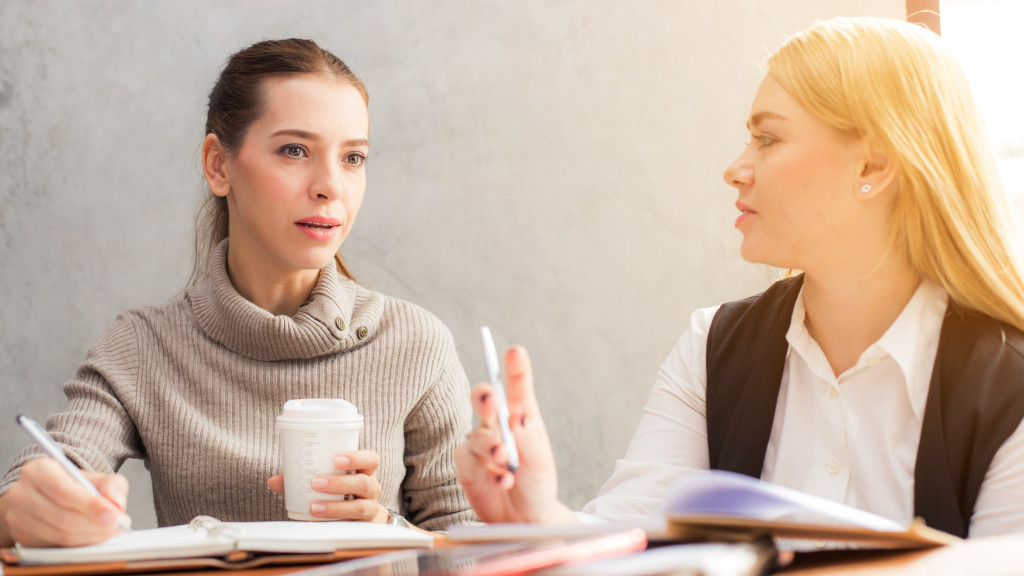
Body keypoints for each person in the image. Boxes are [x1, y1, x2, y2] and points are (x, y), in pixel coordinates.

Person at [456, 16, 1024, 539]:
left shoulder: (1008, 383)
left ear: (873, 166)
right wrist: (539, 517)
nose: (735, 169)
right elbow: (633, 543)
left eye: (768, 138)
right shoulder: (712, 347)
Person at [0, 38, 475, 548]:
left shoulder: (417, 344)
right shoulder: (142, 347)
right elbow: (44, 476)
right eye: (295, 150)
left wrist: (389, 532)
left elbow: (469, 542)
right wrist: (23, 510)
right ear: (218, 165)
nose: (330, 186)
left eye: (353, 157)